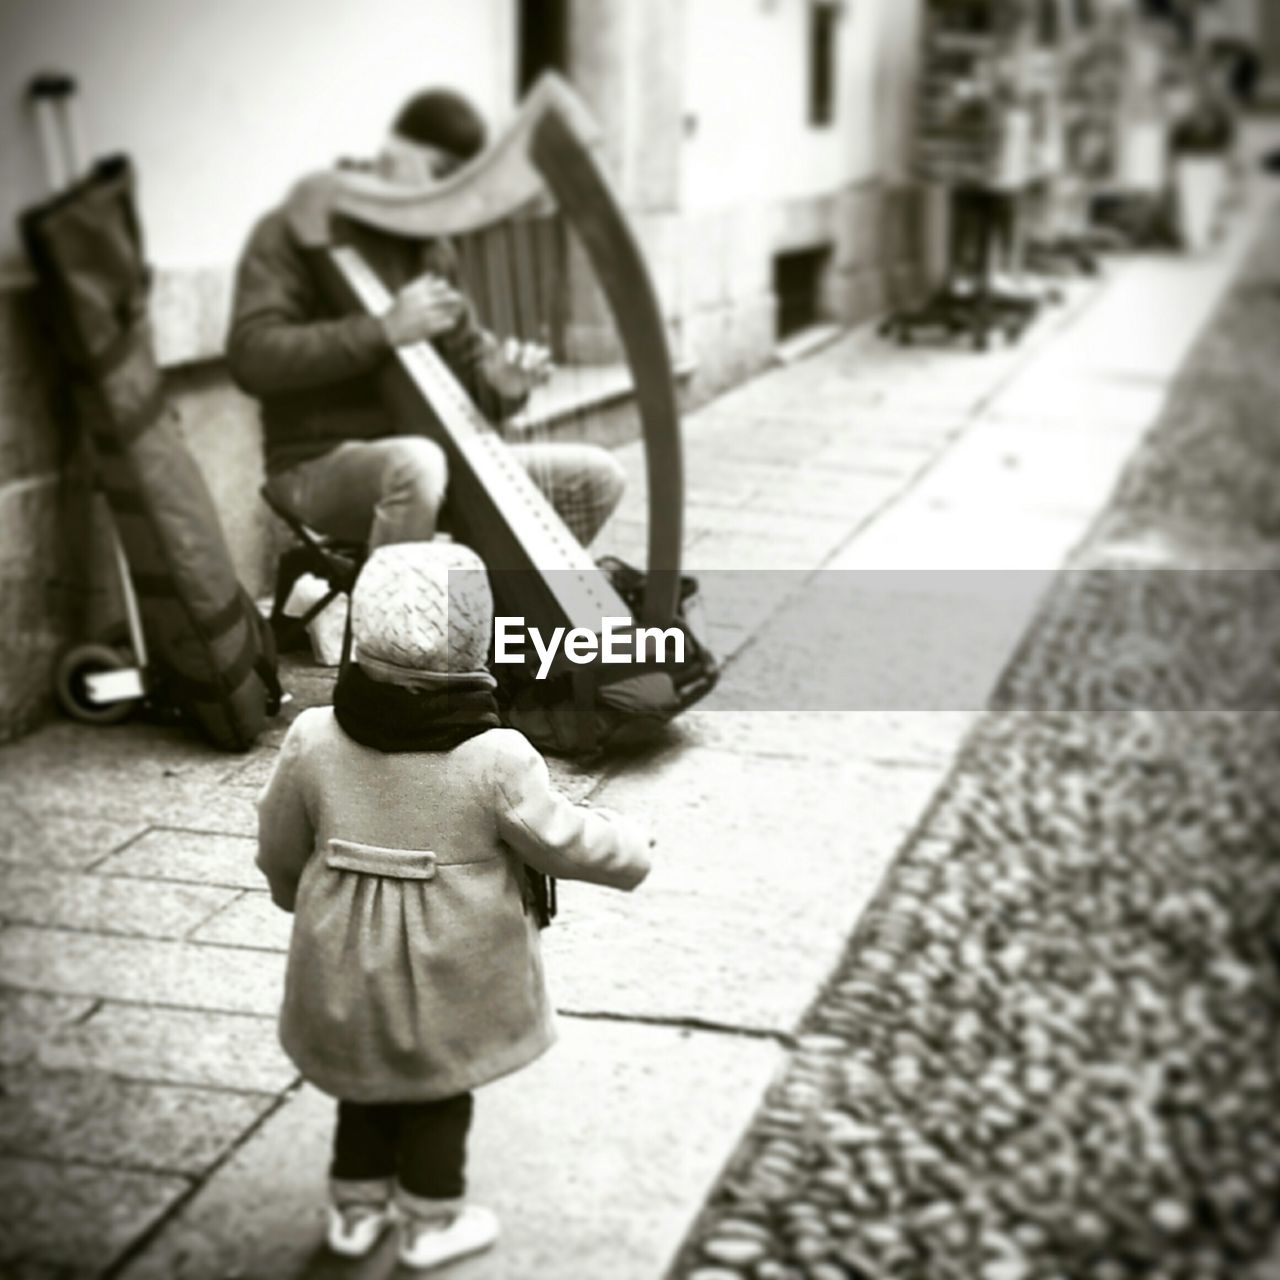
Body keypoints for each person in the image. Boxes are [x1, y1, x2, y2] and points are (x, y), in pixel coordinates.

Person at [255, 539, 651, 1268]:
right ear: (477, 637)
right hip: (453, 975)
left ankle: (356, 1211)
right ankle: (431, 1223)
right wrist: (633, 851)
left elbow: (279, 840)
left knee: (364, 1084)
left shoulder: (314, 737)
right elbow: (559, 840)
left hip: (343, 960)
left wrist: (292, 896)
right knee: (439, 1093)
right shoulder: (496, 757)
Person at [227, 87, 627, 551]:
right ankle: (397, 622)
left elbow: (468, 364)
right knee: (417, 464)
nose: (444, 193)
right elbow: (252, 355)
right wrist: (382, 330)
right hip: (313, 463)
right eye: (440, 174)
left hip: (433, 456)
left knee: (596, 476)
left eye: (456, 181)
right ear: (395, 154)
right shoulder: (297, 227)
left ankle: (489, 608)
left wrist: (501, 384)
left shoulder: (430, 249)